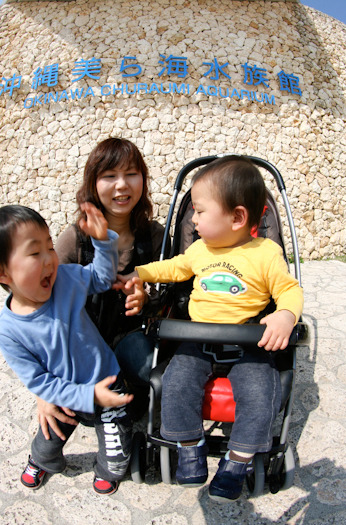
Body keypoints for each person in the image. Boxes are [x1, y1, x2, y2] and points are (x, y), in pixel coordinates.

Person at [118, 156, 304, 503]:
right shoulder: (199, 250)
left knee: (262, 396)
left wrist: (285, 316)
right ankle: (189, 445)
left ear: (237, 217)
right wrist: (139, 274)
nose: (194, 219)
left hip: (248, 342)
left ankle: (238, 460)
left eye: (201, 212)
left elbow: (290, 290)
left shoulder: (266, 252)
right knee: (175, 383)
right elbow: (173, 268)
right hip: (197, 339)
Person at [38, 137, 169, 438]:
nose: (122, 185)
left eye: (131, 174)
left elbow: (170, 299)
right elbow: (45, 305)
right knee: (68, 409)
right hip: (82, 344)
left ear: (143, 180)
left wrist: (146, 299)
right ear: (93, 184)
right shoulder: (75, 240)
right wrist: (44, 389)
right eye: (109, 176)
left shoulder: (155, 236)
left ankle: (131, 402)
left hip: (133, 338)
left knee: (154, 370)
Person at [0, 203, 134, 495]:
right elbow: (40, 381)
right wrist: (84, 396)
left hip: (107, 379)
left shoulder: (66, 280)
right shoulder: (9, 331)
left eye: (50, 246)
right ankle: (42, 459)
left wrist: (103, 241)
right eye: (35, 253)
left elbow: (101, 277)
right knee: (50, 432)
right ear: (3, 273)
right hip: (64, 392)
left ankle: (108, 466)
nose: (49, 259)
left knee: (117, 456)